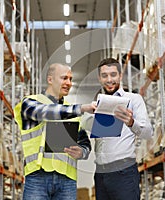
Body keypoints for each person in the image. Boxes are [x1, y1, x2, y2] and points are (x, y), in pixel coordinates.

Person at [14, 63, 96, 200]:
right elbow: (47, 112)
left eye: (70, 79)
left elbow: (84, 142)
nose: (68, 83)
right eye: (64, 78)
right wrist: (82, 108)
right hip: (37, 177)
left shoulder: (71, 110)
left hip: (67, 180)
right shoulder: (30, 103)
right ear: (50, 79)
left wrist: (82, 152)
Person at [92, 58, 153, 200]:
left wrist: (131, 122)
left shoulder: (134, 99)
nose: (109, 79)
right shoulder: (97, 104)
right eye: (104, 75)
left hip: (123, 173)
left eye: (113, 74)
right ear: (99, 78)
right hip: (101, 174)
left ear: (120, 75)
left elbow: (148, 133)